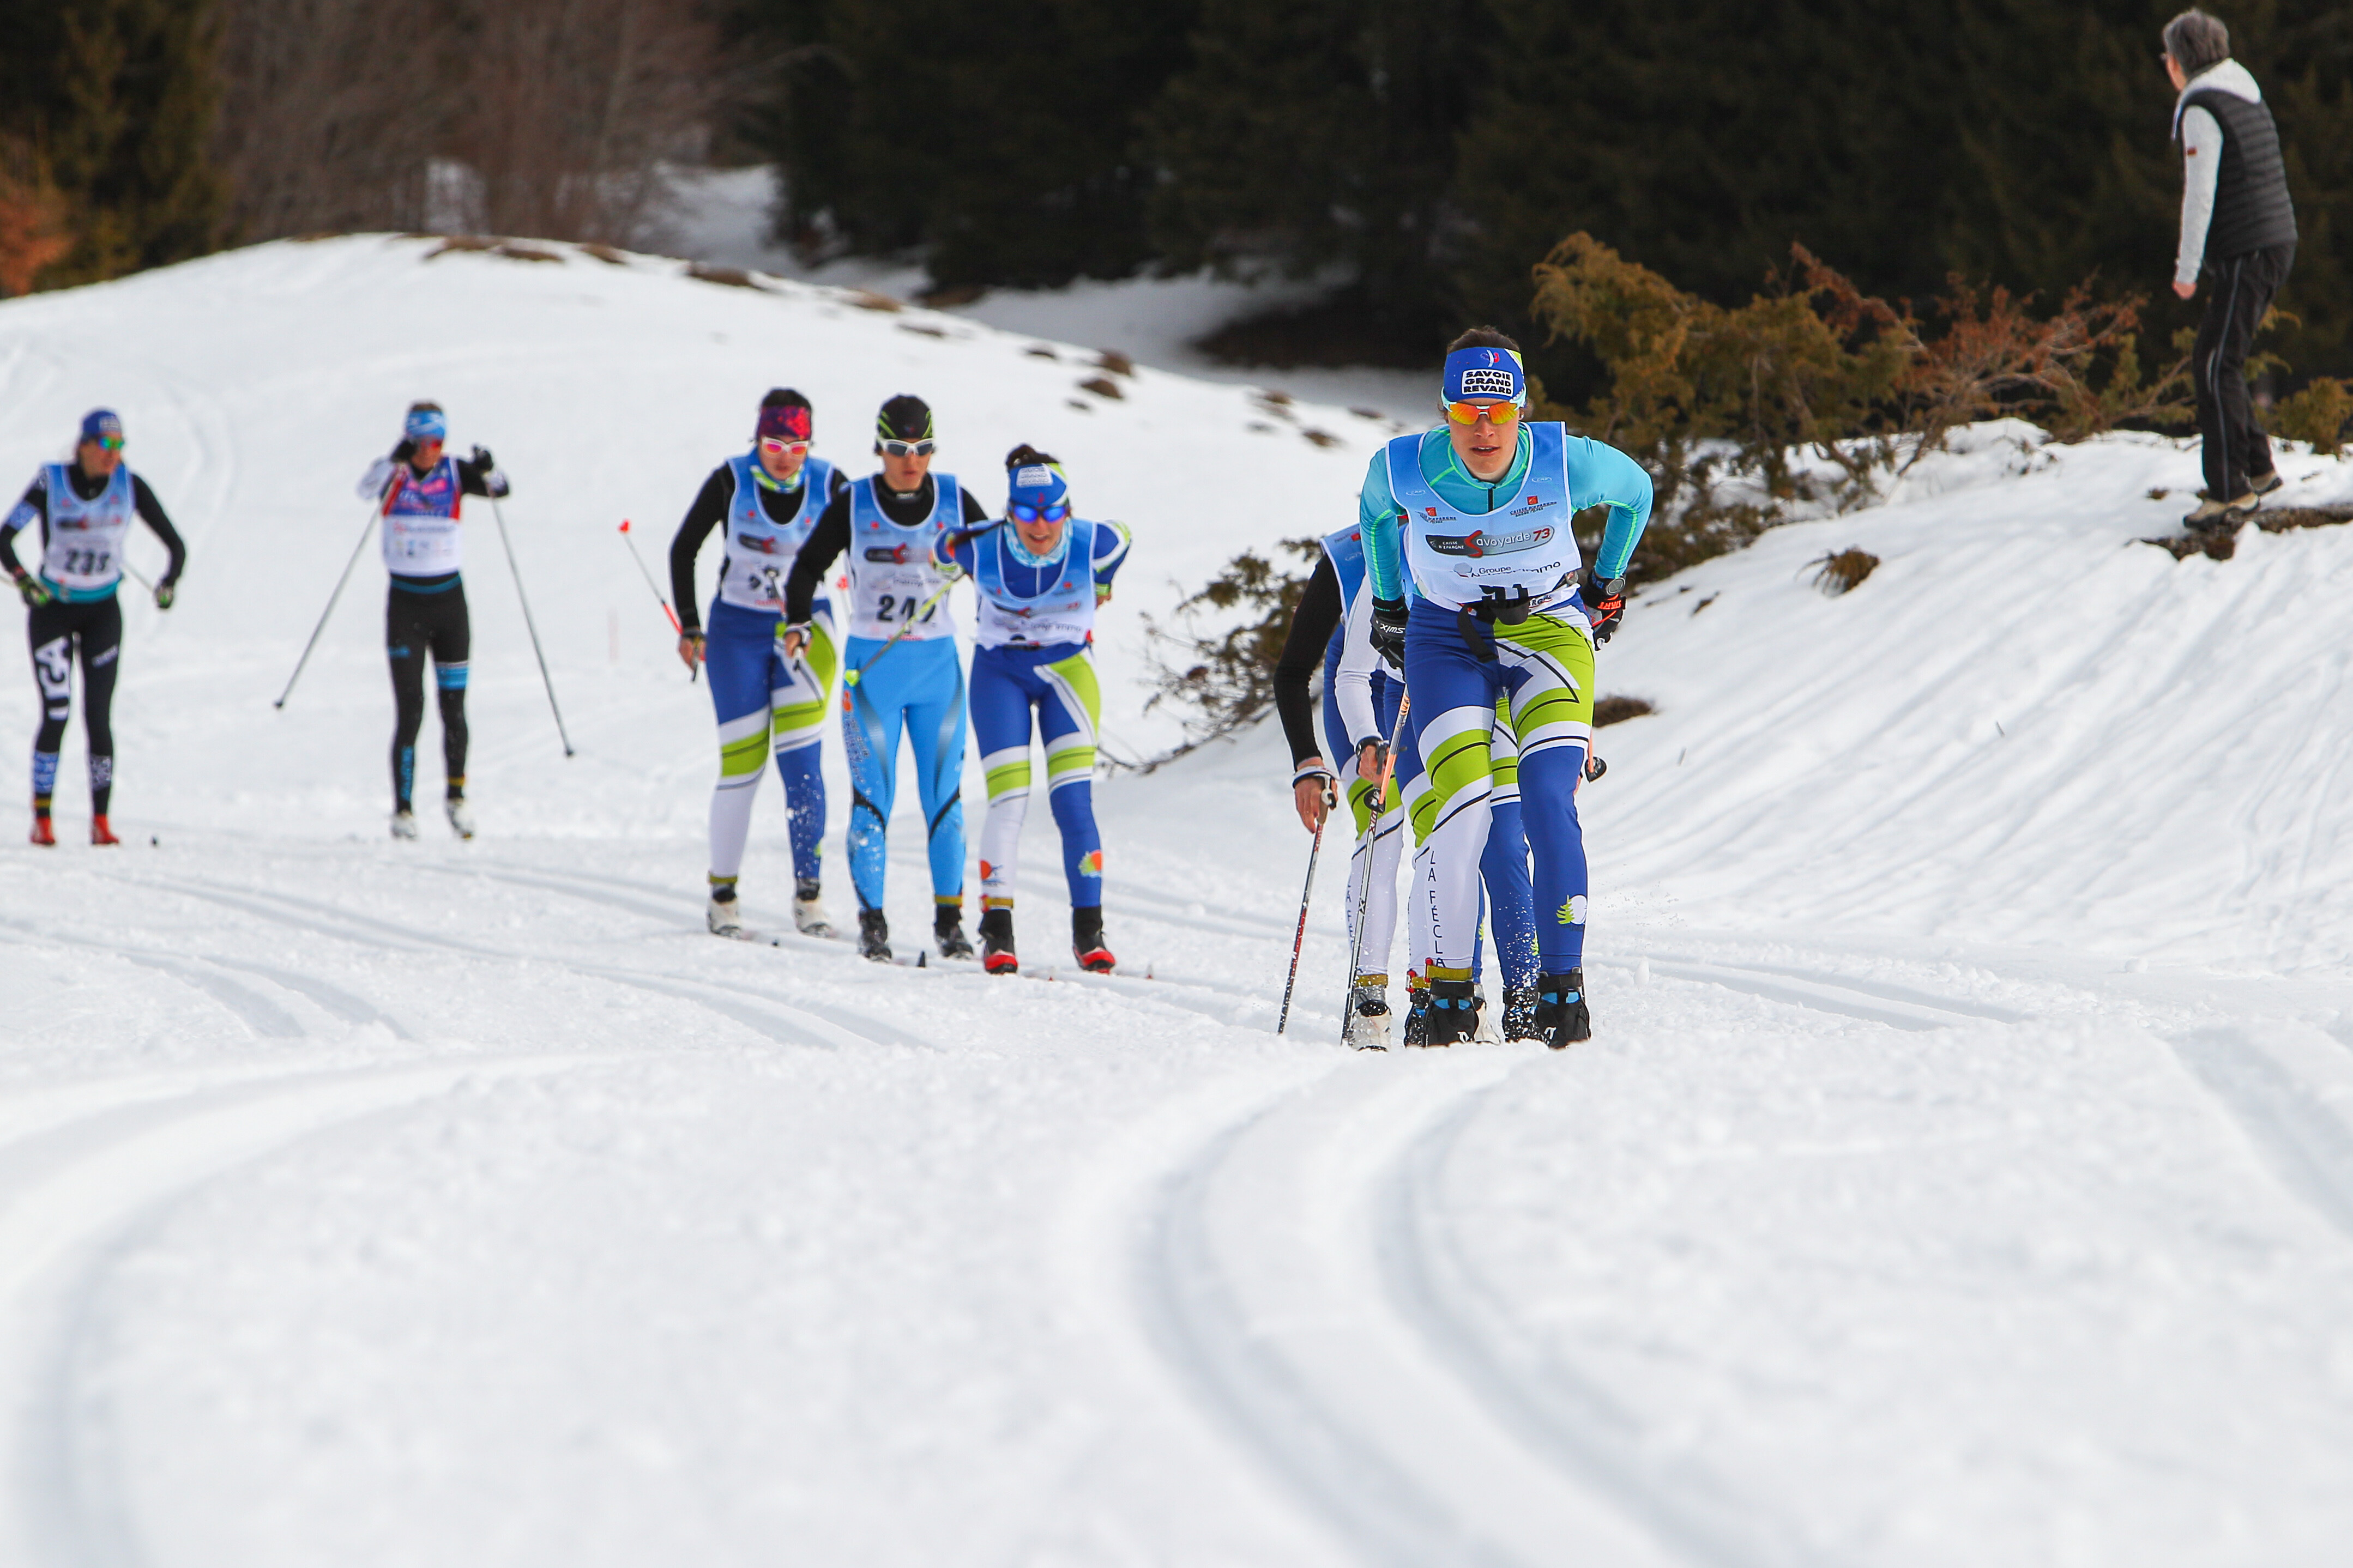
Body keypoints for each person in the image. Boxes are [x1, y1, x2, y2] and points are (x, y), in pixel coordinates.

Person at [1361, 329, 1651, 1047]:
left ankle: (1561, 987)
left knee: (1548, 799)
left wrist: (1606, 584)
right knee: (1460, 811)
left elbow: (1636, 492)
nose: (1484, 431)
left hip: (1548, 629)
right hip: (1446, 639)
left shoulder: (1561, 461)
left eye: (1499, 413)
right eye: (1467, 413)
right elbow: (1373, 518)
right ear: (1445, 411)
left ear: (1522, 409)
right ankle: (1453, 996)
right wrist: (1393, 606)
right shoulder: (1401, 468)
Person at [1272, 519, 1540, 1045]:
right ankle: (1369, 997)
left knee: (1457, 834)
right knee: (1385, 827)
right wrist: (1313, 759)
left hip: (1445, 683)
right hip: (1368, 691)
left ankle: (1444, 987)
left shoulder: (1481, 536)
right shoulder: (1355, 557)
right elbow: (1298, 671)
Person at [782, 394, 990, 962]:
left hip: (937, 672)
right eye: (898, 450)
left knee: (943, 799)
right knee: (872, 801)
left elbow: (995, 564)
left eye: (921, 449)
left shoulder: (952, 498)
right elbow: (804, 568)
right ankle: (873, 923)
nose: (910, 461)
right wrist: (797, 621)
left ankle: (950, 925)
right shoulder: (853, 503)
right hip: (872, 671)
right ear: (879, 450)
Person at [931, 446, 1130, 975]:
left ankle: (1089, 932)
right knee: (1009, 801)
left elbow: (1123, 538)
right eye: (1024, 513)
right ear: (1008, 511)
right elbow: (941, 548)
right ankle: (997, 931)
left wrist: (1104, 584)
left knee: (1073, 803)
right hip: (1000, 676)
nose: (1038, 526)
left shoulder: (1094, 541)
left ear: (1068, 510)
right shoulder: (981, 547)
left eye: (1050, 513)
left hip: (1068, 675)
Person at [669, 389, 848, 938]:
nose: (785, 455)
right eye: (774, 443)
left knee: (803, 769)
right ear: (758, 439)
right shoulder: (731, 479)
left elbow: (865, 547)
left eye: (796, 444)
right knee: (742, 766)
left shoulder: (830, 484)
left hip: (808, 632)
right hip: (736, 633)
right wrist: (691, 625)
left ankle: (809, 898)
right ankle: (722, 896)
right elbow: (684, 549)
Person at [2, 409, 185, 846]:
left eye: (120, 446)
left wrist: (168, 583)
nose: (113, 456)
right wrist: (26, 582)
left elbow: (176, 546)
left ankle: (101, 821)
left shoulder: (129, 485)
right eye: (105, 446)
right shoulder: (52, 482)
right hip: (54, 611)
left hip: (103, 612)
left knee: (99, 716)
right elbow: (4, 537)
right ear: (81, 445)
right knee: (58, 712)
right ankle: (42, 819)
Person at [2163, 8, 2297, 534]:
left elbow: (2201, 193)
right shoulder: (2244, 88)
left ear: (2178, 62)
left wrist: (2187, 268)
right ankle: (2259, 469)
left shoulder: (2202, 106)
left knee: (2214, 363)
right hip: (2274, 240)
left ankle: (2229, 490)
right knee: (2226, 359)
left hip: (2249, 248)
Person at [356, 401, 506, 841]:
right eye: (422, 443)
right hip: (406, 606)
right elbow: (364, 490)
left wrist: (488, 467)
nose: (430, 452)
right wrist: (393, 457)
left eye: (438, 442)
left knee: (453, 708)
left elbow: (501, 489)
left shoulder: (456, 473)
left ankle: (457, 798)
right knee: (410, 711)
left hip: (449, 606)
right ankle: (403, 810)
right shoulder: (394, 473)